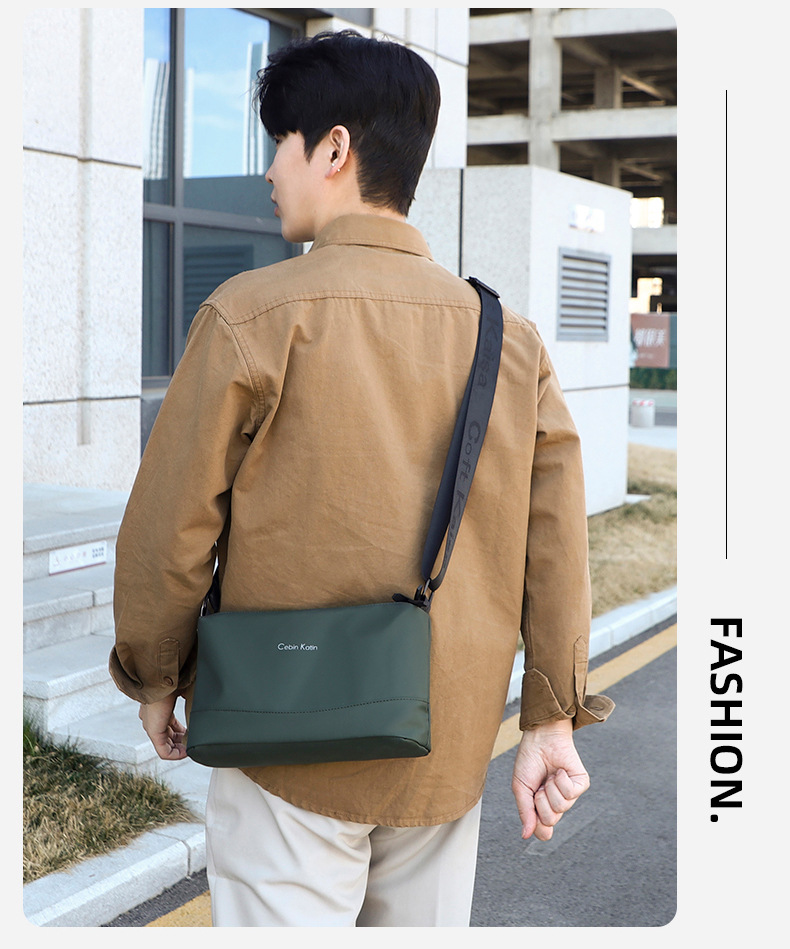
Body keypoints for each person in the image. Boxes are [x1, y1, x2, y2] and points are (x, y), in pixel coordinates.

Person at [110, 29, 613, 927]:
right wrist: (549, 719)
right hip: (443, 745)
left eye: (281, 142)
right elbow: (555, 545)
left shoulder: (250, 316)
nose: (270, 170)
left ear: (334, 148)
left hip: (282, 736)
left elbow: (170, 530)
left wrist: (155, 675)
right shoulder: (508, 340)